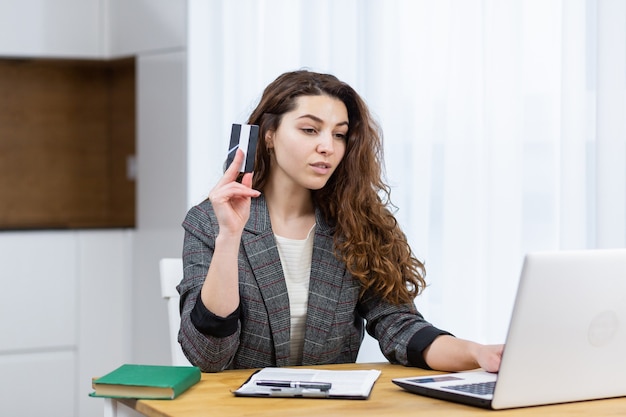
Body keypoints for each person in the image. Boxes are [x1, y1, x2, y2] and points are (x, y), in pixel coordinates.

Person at [178, 70, 503, 373]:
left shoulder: (356, 222)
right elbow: (209, 356)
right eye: (309, 130)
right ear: (269, 135)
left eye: (340, 135)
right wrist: (229, 237)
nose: (327, 147)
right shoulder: (208, 221)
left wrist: (476, 352)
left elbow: (399, 327)